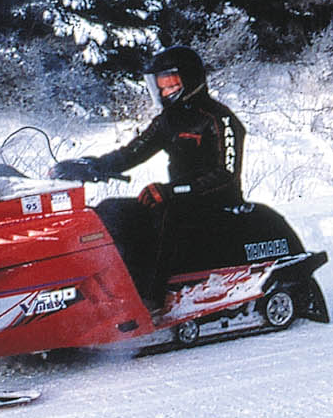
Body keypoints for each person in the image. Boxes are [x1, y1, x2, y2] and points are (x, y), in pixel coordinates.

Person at [55, 45, 245, 311]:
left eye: (171, 85)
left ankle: (151, 298)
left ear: (190, 80)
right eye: (161, 86)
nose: (165, 92)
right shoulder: (169, 120)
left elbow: (225, 176)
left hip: (215, 203)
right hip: (177, 198)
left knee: (165, 214)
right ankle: (105, 288)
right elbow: (132, 152)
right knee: (112, 210)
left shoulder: (220, 120)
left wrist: (173, 191)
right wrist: (92, 166)